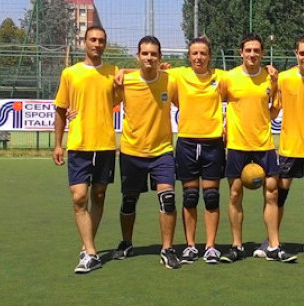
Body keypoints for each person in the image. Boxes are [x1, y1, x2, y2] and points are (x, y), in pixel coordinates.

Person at [253, 34, 304, 263]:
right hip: (289, 146)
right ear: (295, 54)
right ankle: (272, 241)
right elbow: (271, 110)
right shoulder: (285, 79)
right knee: (279, 196)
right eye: (302, 53)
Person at [219, 33, 297, 263]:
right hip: (236, 145)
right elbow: (215, 102)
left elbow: (274, 110)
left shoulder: (270, 78)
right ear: (241, 52)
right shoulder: (229, 78)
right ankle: (236, 246)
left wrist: (273, 86)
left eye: (256, 50)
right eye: (248, 50)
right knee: (234, 194)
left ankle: (274, 246)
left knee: (272, 191)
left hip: (264, 145)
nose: (252, 54)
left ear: (262, 53)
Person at [53, 26, 121, 274]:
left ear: (105, 44)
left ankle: (87, 245)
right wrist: (58, 144)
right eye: (92, 39)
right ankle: (91, 253)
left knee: (99, 196)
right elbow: (60, 110)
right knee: (79, 197)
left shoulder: (113, 73)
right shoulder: (70, 74)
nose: (97, 44)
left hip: (104, 144)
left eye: (101, 40)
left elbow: (129, 89)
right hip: (79, 145)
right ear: (84, 43)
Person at [112, 36, 181, 269]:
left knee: (168, 200)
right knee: (129, 201)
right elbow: (103, 100)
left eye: (153, 54)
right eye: (145, 54)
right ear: (138, 56)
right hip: (132, 152)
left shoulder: (171, 82)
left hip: (162, 152)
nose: (149, 58)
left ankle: (167, 249)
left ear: (160, 57)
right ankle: (126, 243)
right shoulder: (125, 81)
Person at [169, 37, 226, 264]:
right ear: (189, 56)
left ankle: (210, 246)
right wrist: (121, 72)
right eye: (194, 53)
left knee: (211, 197)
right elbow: (145, 69)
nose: (199, 57)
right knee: (190, 197)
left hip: (213, 144)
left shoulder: (221, 77)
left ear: (209, 56)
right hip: (187, 143)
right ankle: (191, 246)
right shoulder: (178, 75)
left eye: (203, 53)